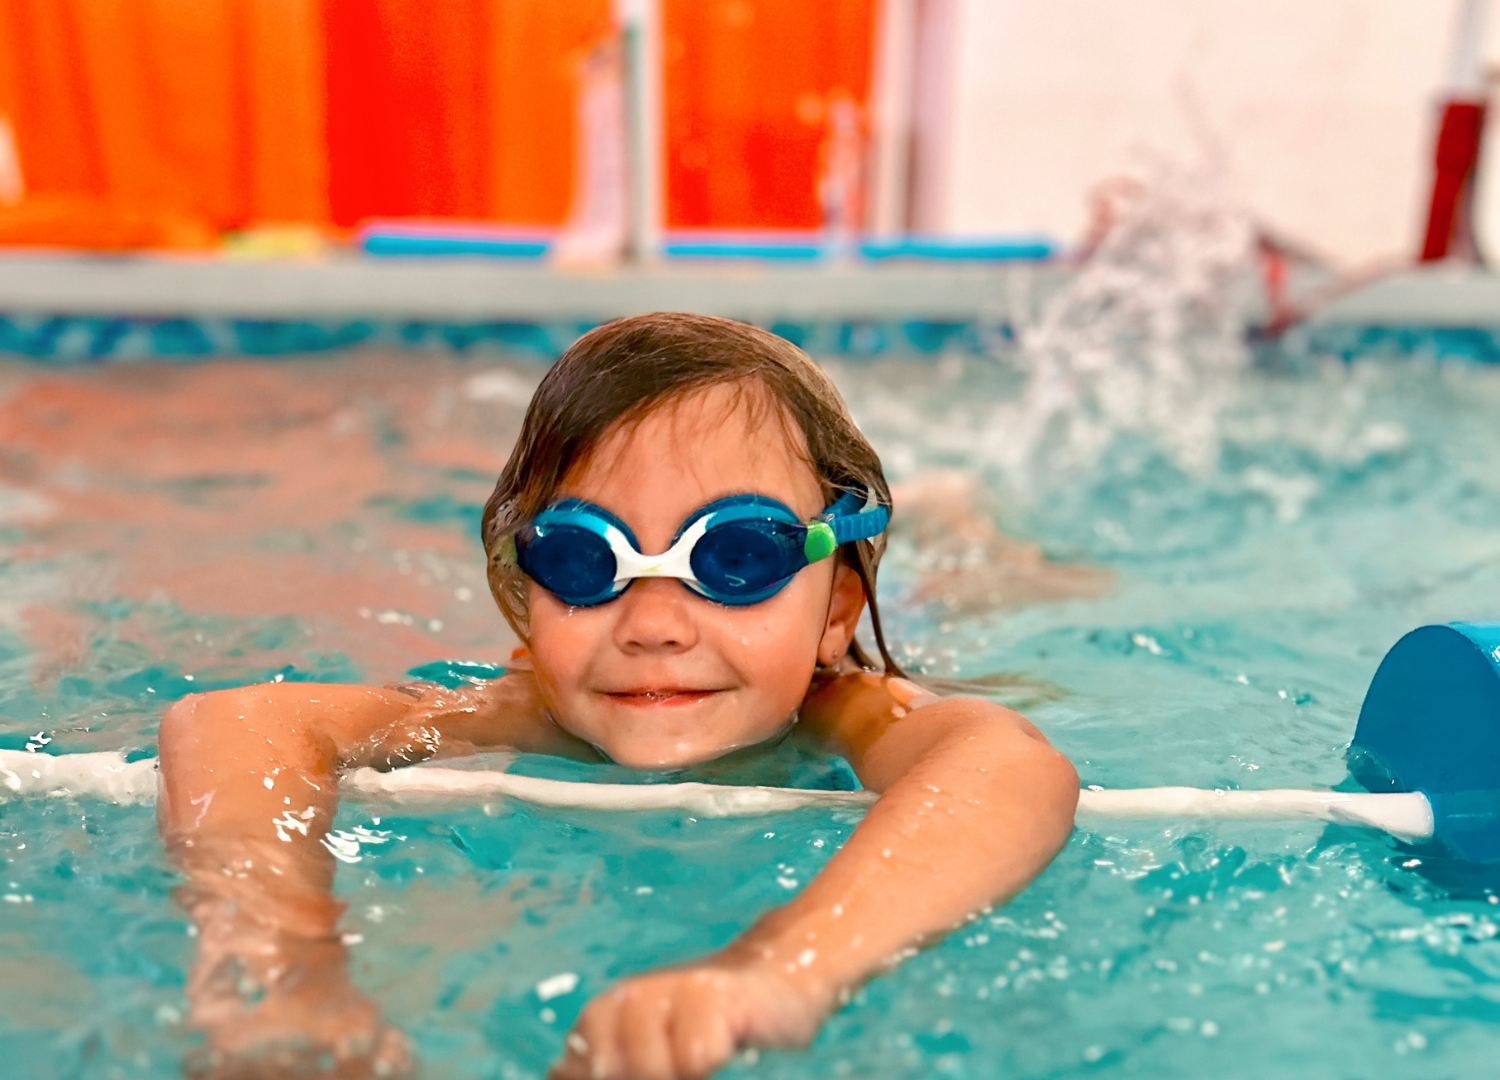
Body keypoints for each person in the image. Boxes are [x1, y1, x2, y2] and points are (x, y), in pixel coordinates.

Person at [157, 313, 1079, 1080]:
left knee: (973, 589)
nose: (652, 625)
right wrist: (281, 965)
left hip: (915, 631)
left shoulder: (848, 708)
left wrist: (783, 970)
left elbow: (1007, 768)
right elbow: (234, 721)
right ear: (527, 594)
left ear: (836, 609)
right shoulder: (528, 707)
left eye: (737, 556)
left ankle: (956, 519)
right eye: (583, 559)